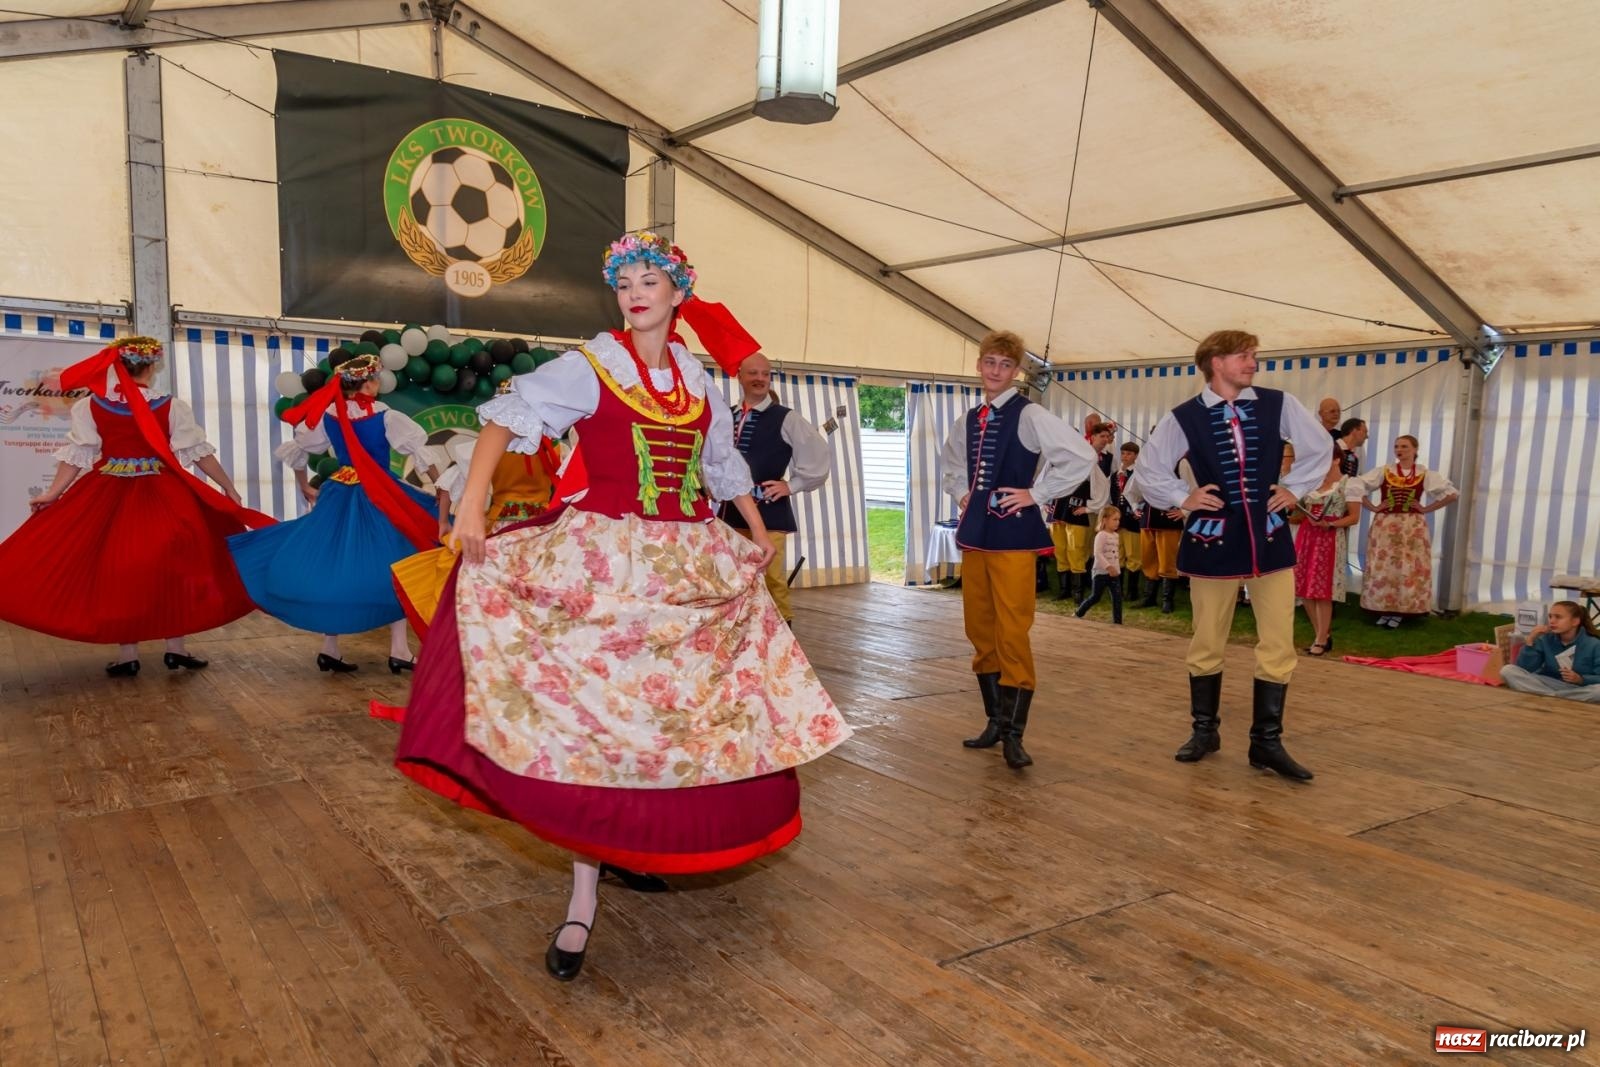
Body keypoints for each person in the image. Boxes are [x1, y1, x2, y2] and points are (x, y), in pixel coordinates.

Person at [391, 232, 849, 982]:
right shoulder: (591, 363)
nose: (634, 293)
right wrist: (471, 506)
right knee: (595, 724)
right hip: (603, 560)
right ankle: (581, 896)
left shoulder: (698, 381)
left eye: (649, 281)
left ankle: (636, 842)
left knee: (673, 719)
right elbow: (504, 420)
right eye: (624, 283)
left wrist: (761, 536)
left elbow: (721, 467)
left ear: (677, 294)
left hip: (684, 560)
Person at [0, 336, 269, 674]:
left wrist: (53, 494)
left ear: (116, 366)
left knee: (119, 569)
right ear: (152, 366)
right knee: (177, 565)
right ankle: (175, 648)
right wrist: (228, 488)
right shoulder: (170, 406)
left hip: (108, 492)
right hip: (165, 492)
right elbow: (200, 453)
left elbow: (77, 456)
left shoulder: (92, 405)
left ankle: (129, 656)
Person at [1134, 329, 1331, 781]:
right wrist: (1184, 497)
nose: (1253, 363)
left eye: (1254, 355)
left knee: (1279, 640)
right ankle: (1205, 732)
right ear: (1215, 362)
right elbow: (1149, 468)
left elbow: (1320, 447)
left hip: (1268, 538)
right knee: (1207, 639)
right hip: (1213, 539)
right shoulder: (1184, 416)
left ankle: (1267, 743)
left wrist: (1294, 487)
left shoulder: (1277, 404)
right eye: (1244, 356)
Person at [939, 330, 1100, 769]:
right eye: (989, 362)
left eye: (1005, 365)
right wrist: (961, 493)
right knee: (980, 627)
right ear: (979, 365)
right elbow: (951, 463)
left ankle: (1015, 733)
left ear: (1016, 371)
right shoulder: (969, 419)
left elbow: (1079, 457)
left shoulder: (1029, 415)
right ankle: (994, 721)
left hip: (1013, 536)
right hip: (976, 534)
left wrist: (1037, 492)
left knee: (1013, 629)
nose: (996, 371)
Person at [227, 350, 441, 672]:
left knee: (333, 562)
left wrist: (304, 485)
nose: (377, 384)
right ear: (368, 384)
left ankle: (330, 647)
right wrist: (441, 489)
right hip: (378, 494)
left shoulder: (329, 414)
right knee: (398, 559)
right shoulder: (384, 414)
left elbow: (298, 451)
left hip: (339, 491)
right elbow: (421, 452)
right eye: (375, 379)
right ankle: (398, 648)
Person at [390, 427, 563, 637]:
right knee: (533, 591)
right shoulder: (555, 447)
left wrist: (443, 521)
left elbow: (447, 483)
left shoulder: (488, 448)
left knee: (493, 590)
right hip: (539, 531)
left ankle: (495, 636)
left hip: (501, 529)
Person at [717, 352, 832, 624]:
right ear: (739, 376)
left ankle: (782, 638)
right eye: (753, 373)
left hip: (769, 510)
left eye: (765, 374)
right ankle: (741, 634)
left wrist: (791, 485)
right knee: (731, 574)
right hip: (729, 512)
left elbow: (818, 455)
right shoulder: (726, 416)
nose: (759, 379)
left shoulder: (787, 418)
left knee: (771, 577)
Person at [1353, 435, 1458, 628]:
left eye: (1404, 446)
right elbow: (1355, 485)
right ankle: (1384, 607)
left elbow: (1451, 494)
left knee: (1408, 567)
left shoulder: (1424, 473)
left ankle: (1402, 610)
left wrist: (1426, 509)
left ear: (1415, 449)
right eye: (1397, 446)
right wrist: (1373, 507)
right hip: (1386, 524)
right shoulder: (1385, 471)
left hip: (1411, 526)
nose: (1399, 450)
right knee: (1385, 566)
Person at [1293, 451, 1359, 655]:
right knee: (1304, 588)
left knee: (1322, 590)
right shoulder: (1312, 483)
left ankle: (1321, 639)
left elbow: (1354, 517)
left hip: (1329, 537)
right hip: (1307, 535)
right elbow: (1297, 510)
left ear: (1337, 459)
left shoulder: (1350, 484)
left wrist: (1330, 524)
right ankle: (1322, 635)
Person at [1049, 421, 1113, 600]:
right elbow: (1044, 479)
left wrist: (1089, 507)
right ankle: (1064, 590)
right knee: (1060, 549)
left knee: (1076, 550)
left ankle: (1077, 592)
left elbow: (1102, 486)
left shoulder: (1088, 458)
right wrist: (1045, 500)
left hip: (1076, 511)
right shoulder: (1057, 457)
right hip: (1058, 509)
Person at [1500, 602, 1600, 703]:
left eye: (1558, 617)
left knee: (1598, 691)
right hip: (1548, 683)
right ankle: (1556, 698)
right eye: (1550, 616)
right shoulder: (1545, 639)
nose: (1552, 621)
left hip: (1579, 688)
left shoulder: (1594, 644)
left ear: (1575, 621)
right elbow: (1525, 668)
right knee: (1507, 670)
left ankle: (1547, 697)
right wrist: (1530, 640)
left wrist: (1580, 679)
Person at [1074, 505, 1125, 624]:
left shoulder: (1116, 536)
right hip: (1100, 573)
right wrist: (1108, 567)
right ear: (1105, 520)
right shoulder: (1101, 536)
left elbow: (1115, 555)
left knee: (1117, 598)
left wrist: (1116, 569)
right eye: (1115, 519)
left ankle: (1118, 622)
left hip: (1114, 574)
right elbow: (1098, 554)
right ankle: (1079, 612)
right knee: (1095, 597)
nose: (1117, 522)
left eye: (1118, 519)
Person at [1111, 442, 1143, 603]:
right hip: (1118, 521)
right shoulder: (1116, 475)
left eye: (1129, 454)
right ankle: (1118, 590)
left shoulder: (1139, 474)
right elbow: (1113, 497)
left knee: (1134, 555)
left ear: (1136, 456)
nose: (1125, 457)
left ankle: (1132, 591)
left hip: (1132, 520)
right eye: (1123, 453)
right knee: (1119, 555)